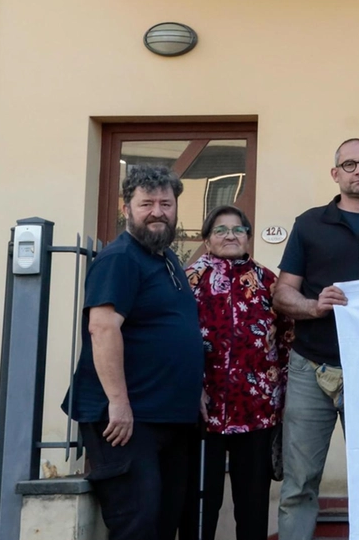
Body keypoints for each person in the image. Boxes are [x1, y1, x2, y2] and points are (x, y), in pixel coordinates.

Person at [274, 139, 359, 540]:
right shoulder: (309, 224)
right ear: (335, 174)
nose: (358, 171)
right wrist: (315, 306)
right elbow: (282, 294)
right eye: (349, 164)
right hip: (310, 366)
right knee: (299, 483)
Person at [64, 165, 202, 540]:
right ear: (127, 209)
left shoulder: (166, 258)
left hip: (167, 416)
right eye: (147, 204)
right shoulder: (120, 257)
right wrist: (118, 403)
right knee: (136, 523)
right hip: (128, 420)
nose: (158, 211)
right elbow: (102, 328)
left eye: (166, 203)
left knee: (162, 522)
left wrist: (195, 390)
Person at [185, 205, 291, 540]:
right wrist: (190, 387)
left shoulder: (267, 281)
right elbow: (173, 338)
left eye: (237, 229)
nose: (230, 235)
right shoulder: (189, 280)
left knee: (253, 504)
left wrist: (285, 395)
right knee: (201, 502)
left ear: (247, 236)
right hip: (204, 410)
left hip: (258, 410)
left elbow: (288, 336)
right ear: (206, 238)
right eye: (220, 230)